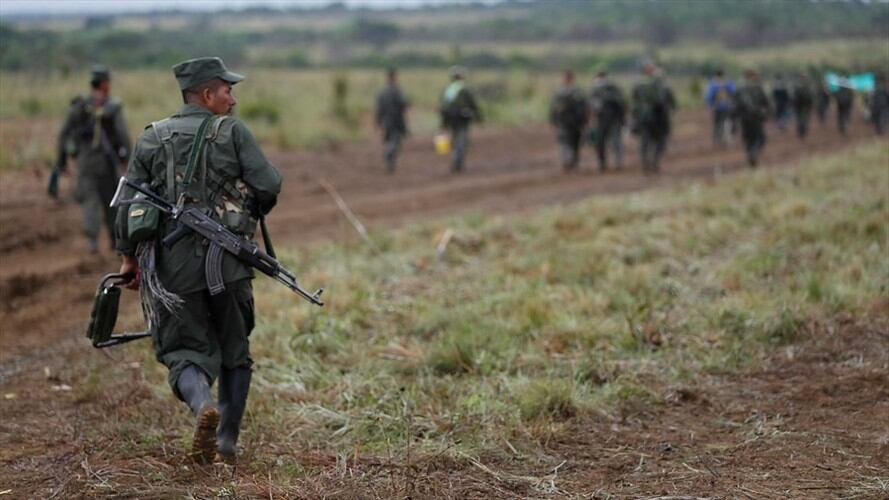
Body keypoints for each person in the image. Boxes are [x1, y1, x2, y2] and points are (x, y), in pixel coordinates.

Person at [114, 57, 282, 464]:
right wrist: (245, 206)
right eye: (227, 91)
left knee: (183, 349)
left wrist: (128, 260)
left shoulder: (152, 137)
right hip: (230, 264)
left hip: (173, 269)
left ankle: (202, 402)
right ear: (207, 94)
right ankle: (226, 439)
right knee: (235, 349)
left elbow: (127, 204)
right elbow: (269, 184)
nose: (233, 100)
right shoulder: (233, 132)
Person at [54, 65, 131, 253]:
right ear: (104, 84)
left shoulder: (79, 107)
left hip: (85, 163)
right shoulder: (112, 107)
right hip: (107, 163)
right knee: (111, 201)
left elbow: (63, 135)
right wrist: (127, 158)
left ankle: (92, 241)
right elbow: (123, 135)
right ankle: (114, 240)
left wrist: (62, 161)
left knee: (90, 202)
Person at [631, 62, 676, 173]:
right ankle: (655, 162)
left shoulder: (638, 84)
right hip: (657, 117)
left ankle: (645, 163)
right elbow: (665, 101)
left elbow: (634, 101)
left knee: (644, 142)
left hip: (642, 117)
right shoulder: (659, 84)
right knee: (660, 141)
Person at [439, 66, 482, 173]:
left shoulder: (448, 90)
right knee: (462, 140)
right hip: (462, 119)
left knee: (455, 139)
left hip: (451, 119)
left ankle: (456, 161)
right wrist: (479, 118)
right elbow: (473, 104)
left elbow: (444, 108)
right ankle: (458, 162)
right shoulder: (464, 89)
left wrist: (443, 123)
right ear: (461, 77)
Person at [548, 70, 588, 171]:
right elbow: (553, 108)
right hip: (563, 122)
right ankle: (567, 161)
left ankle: (573, 161)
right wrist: (553, 120)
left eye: (565, 78)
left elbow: (584, 107)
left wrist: (585, 120)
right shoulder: (559, 92)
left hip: (575, 122)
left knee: (575, 142)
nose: (564, 80)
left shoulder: (577, 92)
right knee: (564, 142)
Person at [733, 68, 771, 167]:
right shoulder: (758, 87)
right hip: (756, 117)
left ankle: (750, 154)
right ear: (753, 76)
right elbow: (766, 102)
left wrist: (735, 119)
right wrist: (767, 114)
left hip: (744, 118)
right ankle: (754, 152)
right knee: (760, 138)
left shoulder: (739, 88)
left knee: (747, 139)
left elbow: (734, 105)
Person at [589, 70, 627, 171]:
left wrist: (622, 118)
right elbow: (590, 106)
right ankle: (602, 163)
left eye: (601, 78)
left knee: (615, 142)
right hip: (600, 120)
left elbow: (622, 104)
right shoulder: (594, 91)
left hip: (614, 119)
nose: (599, 80)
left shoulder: (613, 89)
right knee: (599, 142)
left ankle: (618, 162)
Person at [374, 67, 410, 173]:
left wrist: (378, 122)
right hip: (397, 120)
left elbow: (379, 109)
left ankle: (391, 164)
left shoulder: (381, 92)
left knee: (389, 140)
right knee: (395, 142)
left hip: (386, 120)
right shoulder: (398, 91)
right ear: (394, 77)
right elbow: (403, 104)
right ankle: (388, 153)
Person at [704, 69, 736, 146]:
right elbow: (735, 92)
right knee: (728, 122)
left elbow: (709, 96)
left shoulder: (712, 84)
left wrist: (709, 105)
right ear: (723, 74)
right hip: (728, 106)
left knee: (717, 123)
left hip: (717, 107)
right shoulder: (728, 82)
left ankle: (717, 139)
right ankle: (727, 139)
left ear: (716, 75)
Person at [790, 74, 814, 139]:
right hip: (803, 106)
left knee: (800, 119)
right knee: (803, 119)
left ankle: (801, 131)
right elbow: (810, 97)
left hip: (800, 106)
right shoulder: (806, 86)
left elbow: (793, 97)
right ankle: (802, 131)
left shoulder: (798, 86)